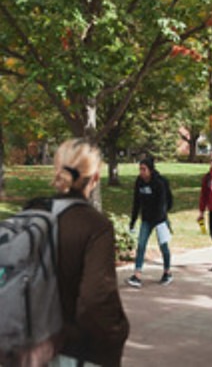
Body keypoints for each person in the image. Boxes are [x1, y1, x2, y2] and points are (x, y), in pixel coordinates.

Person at [17, 139, 129, 366]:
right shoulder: (95, 226)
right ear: (95, 177)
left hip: (28, 348)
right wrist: (118, 331)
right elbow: (96, 299)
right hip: (77, 350)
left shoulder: (31, 212)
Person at [128, 157, 174, 287]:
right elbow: (136, 202)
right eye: (140, 169)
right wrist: (133, 221)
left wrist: (162, 220)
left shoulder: (159, 183)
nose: (141, 172)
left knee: (163, 246)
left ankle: (167, 272)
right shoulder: (139, 182)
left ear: (150, 170)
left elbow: (165, 203)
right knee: (141, 245)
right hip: (146, 219)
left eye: (144, 169)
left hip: (160, 219)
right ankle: (137, 274)